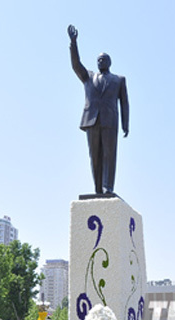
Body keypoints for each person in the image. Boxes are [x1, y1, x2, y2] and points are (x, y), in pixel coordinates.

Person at [68, 25, 129, 195]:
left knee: (109, 155)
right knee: (94, 156)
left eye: (104, 59)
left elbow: (124, 103)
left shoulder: (119, 80)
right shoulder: (88, 77)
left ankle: (107, 187)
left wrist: (126, 124)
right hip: (92, 120)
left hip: (110, 121)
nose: (100, 61)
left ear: (109, 62)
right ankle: (97, 189)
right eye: (98, 59)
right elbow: (75, 65)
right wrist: (73, 43)